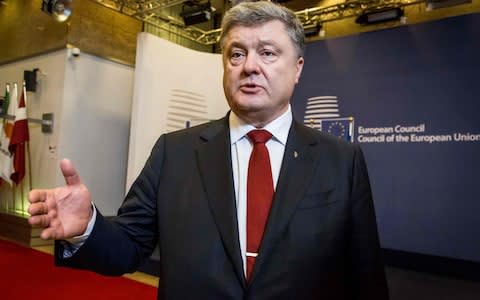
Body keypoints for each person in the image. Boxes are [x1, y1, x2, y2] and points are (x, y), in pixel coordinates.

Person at [28, 1, 389, 299]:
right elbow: (128, 247)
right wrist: (86, 227)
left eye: (267, 53)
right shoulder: (175, 152)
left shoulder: (342, 161)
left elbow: (366, 278)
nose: (250, 66)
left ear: (297, 69)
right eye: (236, 54)